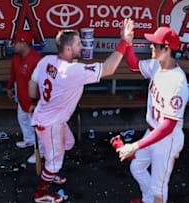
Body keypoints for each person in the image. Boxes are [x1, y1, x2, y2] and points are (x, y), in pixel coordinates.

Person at [28, 19, 134, 203]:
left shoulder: (47, 60)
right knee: (55, 162)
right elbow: (109, 69)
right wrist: (124, 41)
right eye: (78, 43)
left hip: (47, 116)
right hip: (49, 124)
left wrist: (31, 101)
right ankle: (41, 192)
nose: (82, 45)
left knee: (68, 143)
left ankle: (49, 173)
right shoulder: (71, 70)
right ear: (68, 48)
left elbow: (32, 81)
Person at [116, 25, 189, 203]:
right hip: (153, 131)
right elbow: (134, 65)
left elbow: (168, 126)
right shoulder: (157, 65)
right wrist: (128, 43)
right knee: (137, 167)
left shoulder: (177, 82)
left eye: (155, 45)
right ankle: (148, 200)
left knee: (159, 187)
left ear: (167, 49)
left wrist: (135, 146)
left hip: (167, 138)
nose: (151, 47)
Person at [7, 30, 44, 164]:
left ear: (23, 43)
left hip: (34, 101)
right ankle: (29, 140)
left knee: (38, 130)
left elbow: (41, 84)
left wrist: (37, 103)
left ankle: (41, 151)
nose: (12, 45)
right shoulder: (17, 56)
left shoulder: (36, 59)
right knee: (22, 119)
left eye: (15, 42)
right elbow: (13, 74)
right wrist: (9, 87)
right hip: (21, 98)